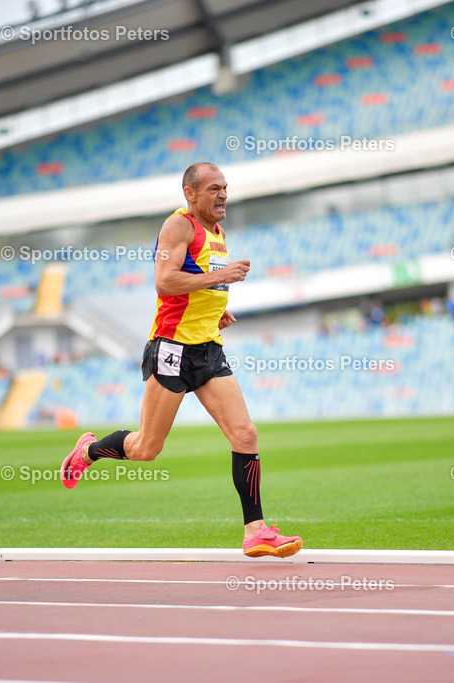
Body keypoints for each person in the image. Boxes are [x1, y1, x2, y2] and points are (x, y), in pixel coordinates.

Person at [59, 162, 303, 558]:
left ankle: (255, 531)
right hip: (171, 350)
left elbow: (198, 286)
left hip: (208, 349)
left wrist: (215, 312)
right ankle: (88, 451)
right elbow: (165, 281)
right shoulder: (178, 226)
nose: (223, 195)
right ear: (190, 193)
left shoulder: (218, 234)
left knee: (245, 434)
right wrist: (218, 279)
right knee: (146, 449)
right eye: (213, 188)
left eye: (225, 188)